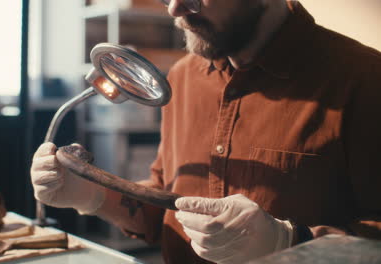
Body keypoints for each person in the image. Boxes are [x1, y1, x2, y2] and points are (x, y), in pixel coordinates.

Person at [31, 0, 381, 263]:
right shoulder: (183, 77)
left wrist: (289, 242)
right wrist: (92, 196)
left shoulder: (365, 80)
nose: (174, 9)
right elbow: (164, 207)